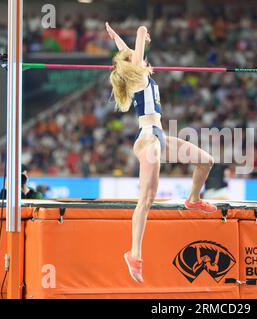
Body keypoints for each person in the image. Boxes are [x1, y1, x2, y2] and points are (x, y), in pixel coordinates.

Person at [106, 22, 216, 283]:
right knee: (146, 199)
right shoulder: (138, 76)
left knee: (206, 161)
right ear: (132, 63)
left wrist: (116, 38)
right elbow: (140, 40)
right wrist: (143, 30)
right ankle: (134, 254)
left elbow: (131, 51)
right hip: (148, 139)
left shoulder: (137, 74)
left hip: (159, 136)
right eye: (135, 55)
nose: (138, 54)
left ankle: (193, 198)